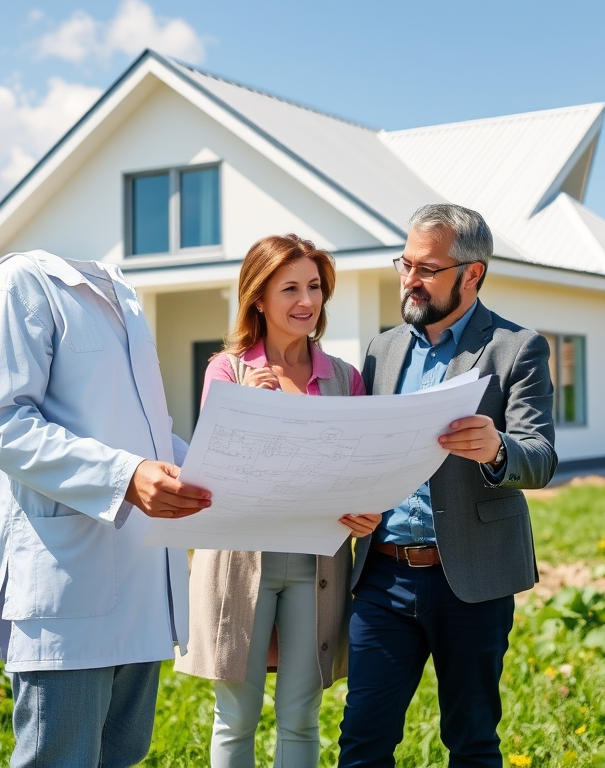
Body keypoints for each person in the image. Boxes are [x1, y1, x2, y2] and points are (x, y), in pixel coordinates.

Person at [0, 249, 211, 768]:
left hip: (143, 579)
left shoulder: (123, 292)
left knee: (124, 753)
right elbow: (3, 427)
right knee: (63, 758)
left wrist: (219, 474)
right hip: (67, 585)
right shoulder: (19, 284)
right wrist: (123, 478)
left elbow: (149, 434)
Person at [337, 204, 558, 767]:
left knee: (472, 741)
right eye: (405, 263)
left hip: (472, 578)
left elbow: (541, 457)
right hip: (382, 577)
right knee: (362, 743)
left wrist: (497, 448)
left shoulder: (517, 348)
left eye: (427, 268)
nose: (411, 279)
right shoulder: (381, 350)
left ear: (473, 273)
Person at [175, 234, 380, 768]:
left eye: (314, 286)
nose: (306, 301)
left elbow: (356, 471)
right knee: (236, 717)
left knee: (301, 715)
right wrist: (248, 413)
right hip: (240, 563)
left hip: (318, 565)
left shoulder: (344, 379)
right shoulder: (228, 371)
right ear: (258, 298)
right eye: (289, 288)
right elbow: (216, 472)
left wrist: (365, 513)